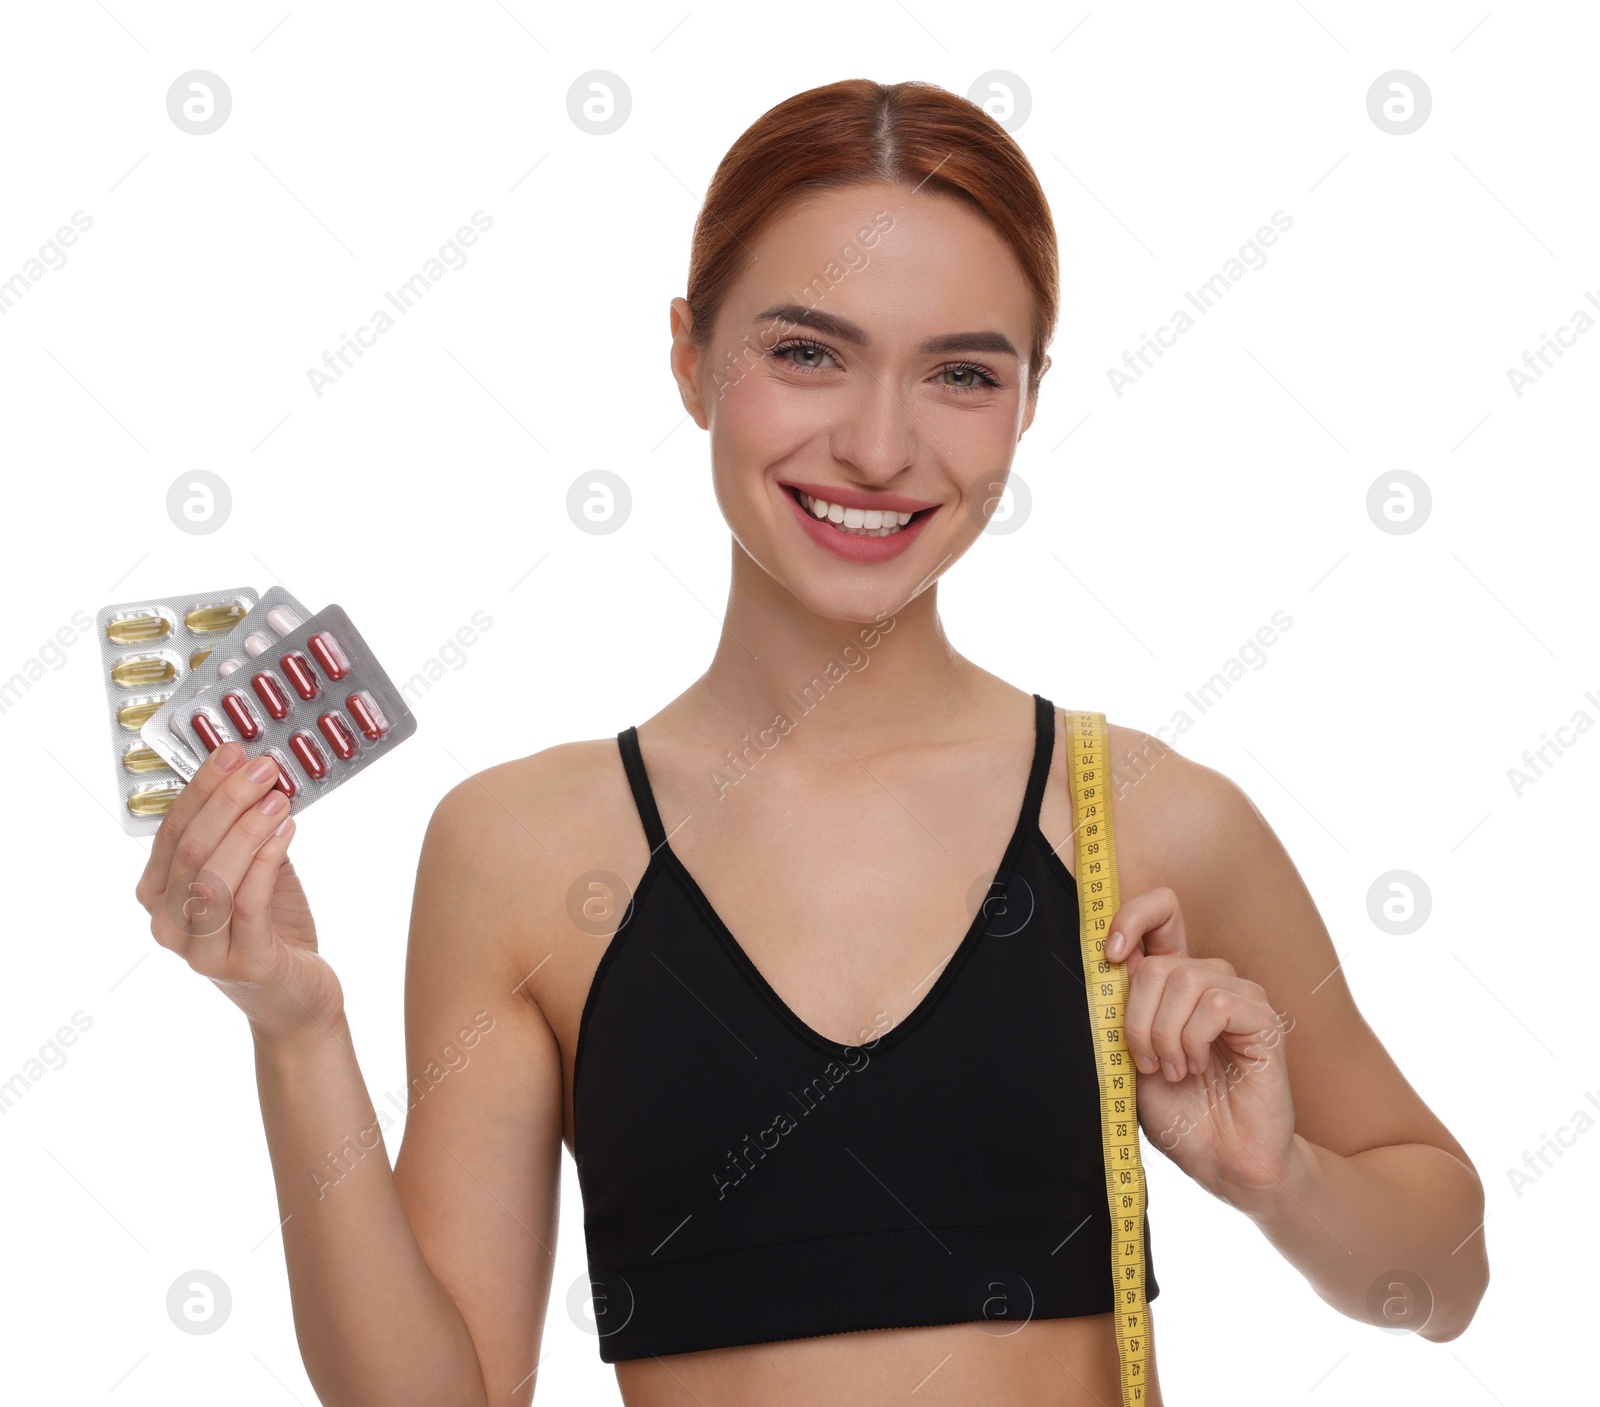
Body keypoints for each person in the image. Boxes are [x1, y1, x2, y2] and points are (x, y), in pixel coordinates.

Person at [134, 78, 1488, 1407]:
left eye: (962, 373)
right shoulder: (521, 851)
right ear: (689, 356)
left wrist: (1279, 1180)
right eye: (807, 353)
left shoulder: (1143, 819)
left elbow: (1445, 1282)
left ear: (1027, 402)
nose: (881, 445)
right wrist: (297, 1031)